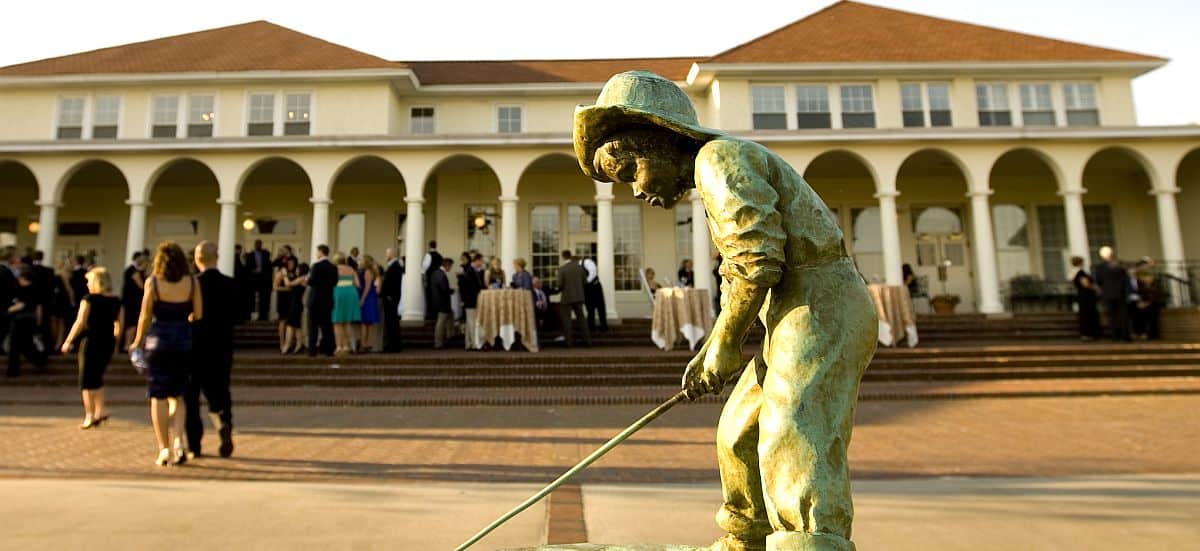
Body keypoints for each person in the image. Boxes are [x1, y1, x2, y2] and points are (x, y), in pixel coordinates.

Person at [575, 71, 877, 550]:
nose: (634, 189)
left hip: (823, 305)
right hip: (790, 310)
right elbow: (741, 268)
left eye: (630, 170)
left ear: (657, 141)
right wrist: (719, 340)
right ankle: (746, 539)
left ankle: (811, 541)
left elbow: (756, 260)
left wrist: (725, 341)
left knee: (793, 428)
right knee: (739, 430)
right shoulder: (714, 169)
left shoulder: (719, 159)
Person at [131, 241, 203, 466]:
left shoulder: (153, 282)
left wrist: (136, 342)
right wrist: (184, 320)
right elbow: (198, 314)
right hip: (182, 341)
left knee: (158, 396)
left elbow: (144, 315)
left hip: (158, 341)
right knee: (179, 396)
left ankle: (163, 448)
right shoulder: (191, 282)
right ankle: (179, 442)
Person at [187, 241, 237, 458]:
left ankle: (194, 445)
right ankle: (223, 422)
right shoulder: (231, 284)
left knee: (191, 396)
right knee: (220, 391)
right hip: (222, 346)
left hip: (194, 346)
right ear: (217, 258)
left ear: (197, 260)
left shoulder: (192, 285)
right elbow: (240, 315)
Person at [61, 267, 121, 430]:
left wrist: (68, 340)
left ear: (96, 282)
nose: (87, 284)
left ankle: (89, 414)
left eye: (89, 281)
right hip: (107, 341)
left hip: (91, 341)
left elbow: (80, 322)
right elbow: (118, 325)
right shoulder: (116, 301)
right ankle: (100, 411)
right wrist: (115, 342)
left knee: (86, 380)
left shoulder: (89, 299)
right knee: (98, 376)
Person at [7, 267, 47, 377]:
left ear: (23, 278)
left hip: (20, 320)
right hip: (31, 319)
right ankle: (39, 360)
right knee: (26, 343)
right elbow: (39, 307)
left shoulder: (22, 290)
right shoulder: (36, 289)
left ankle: (13, 370)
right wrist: (38, 320)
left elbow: (21, 304)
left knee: (15, 345)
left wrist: (8, 310)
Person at [1093, 245, 1130, 341]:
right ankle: (1124, 335)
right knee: (1122, 315)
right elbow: (1126, 279)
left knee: (1113, 316)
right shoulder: (1119, 265)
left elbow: (1098, 281)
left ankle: (1116, 335)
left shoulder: (1100, 267)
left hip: (1109, 294)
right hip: (1119, 293)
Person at [306, 245, 337, 357]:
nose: (316, 254)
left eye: (317, 251)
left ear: (321, 252)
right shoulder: (333, 267)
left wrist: (307, 279)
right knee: (327, 327)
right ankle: (329, 349)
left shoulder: (316, 266)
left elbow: (311, 281)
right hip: (328, 300)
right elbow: (335, 282)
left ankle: (312, 350)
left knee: (313, 326)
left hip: (315, 299)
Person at [557, 250, 590, 348]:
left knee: (567, 320)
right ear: (570, 256)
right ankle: (588, 341)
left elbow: (560, 284)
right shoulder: (580, 269)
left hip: (567, 298)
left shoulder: (562, 269)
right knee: (582, 320)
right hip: (579, 296)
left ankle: (569, 342)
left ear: (563, 257)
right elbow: (585, 282)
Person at [331, 253, 361, 356]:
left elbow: (330, 282)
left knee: (337, 322)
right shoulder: (351, 269)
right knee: (347, 322)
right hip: (351, 293)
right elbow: (357, 284)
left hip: (338, 292)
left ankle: (339, 346)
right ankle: (347, 346)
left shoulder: (334, 269)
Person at [274, 256, 303, 354]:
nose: (291, 265)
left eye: (293, 263)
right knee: (283, 320)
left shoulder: (296, 273)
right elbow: (275, 287)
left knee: (293, 322)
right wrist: (288, 289)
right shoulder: (281, 273)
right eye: (289, 263)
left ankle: (292, 343)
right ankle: (282, 343)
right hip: (283, 299)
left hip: (293, 299)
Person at [1070, 256, 1101, 341]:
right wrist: (1096, 288)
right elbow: (1086, 284)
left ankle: (1087, 333)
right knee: (1087, 315)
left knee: (1085, 315)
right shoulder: (1081, 272)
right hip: (1086, 297)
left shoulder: (1074, 272)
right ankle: (1088, 333)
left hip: (1082, 296)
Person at [380, 248, 405, 352]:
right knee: (391, 322)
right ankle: (393, 344)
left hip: (391, 298)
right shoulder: (393, 266)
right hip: (390, 297)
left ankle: (393, 345)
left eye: (386, 253)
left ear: (391, 254)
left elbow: (393, 283)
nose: (385, 255)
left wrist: (388, 295)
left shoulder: (395, 267)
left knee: (392, 322)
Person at [120, 252, 146, 351]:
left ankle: (130, 344)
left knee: (134, 323)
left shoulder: (137, 271)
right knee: (131, 323)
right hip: (131, 303)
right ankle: (127, 344)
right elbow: (141, 285)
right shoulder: (132, 270)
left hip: (135, 302)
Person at [1132, 263, 1164, 340]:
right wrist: (1141, 302)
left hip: (1153, 304)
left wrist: (1147, 303)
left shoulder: (1156, 284)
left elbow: (1157, 295)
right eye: (1143, 277)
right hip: (1143, 304)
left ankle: (1152, 334)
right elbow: (1140, 294)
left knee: (1152, 316)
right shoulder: (1141, 285)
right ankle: (1140, 332)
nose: (1146, 279)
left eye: (1147, 277)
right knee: (1138, 313)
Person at [459, 253, 484, 350]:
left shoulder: (472, 271)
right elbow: (468, 288)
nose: (482, 263)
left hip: (470, 300)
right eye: (481, 261)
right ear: (477, 261)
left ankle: (468, 344)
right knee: (472, 323)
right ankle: (474, 344)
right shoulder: (470, 271)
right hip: (471, 301)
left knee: (470, 323)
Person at [430, 258, 455, 349]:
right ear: (447, 265)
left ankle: (450, 335)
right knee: (440, 323)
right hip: (442, 302)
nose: (451, 268)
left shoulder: (435, 273)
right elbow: (444, 289)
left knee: (450, 316)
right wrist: (451, 290)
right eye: (451, 266)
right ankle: (438, 343)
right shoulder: (441, 275)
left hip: (438, 301)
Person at [358, 255, 381, 353]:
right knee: (369, 323)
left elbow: (367, 287)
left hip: (367, 297)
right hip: (371, 296)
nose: (359, 261)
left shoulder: (367, 271)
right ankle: (368, 343)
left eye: (361, 259)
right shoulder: (372, 271)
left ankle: (364, 344)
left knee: (365, 322)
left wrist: (362, 299)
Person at [246, 239, 272, 321]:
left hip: (263, 280)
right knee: (251, 298)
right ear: (254, 245)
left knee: (263, 298)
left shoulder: (266, 254)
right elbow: (247, 267)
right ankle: (250, 315)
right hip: (253, 279)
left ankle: (263, 316)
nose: (258, 245)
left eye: (259, 243)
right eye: (256, 243)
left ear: (261, 244)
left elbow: (269, 266)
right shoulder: (250, 255)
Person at [582, 256, 608, 332]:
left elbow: (591, 274)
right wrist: (586, 282)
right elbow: (593, 273)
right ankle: (602, 326)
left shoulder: (582, 263)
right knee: (599, 307)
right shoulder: (588, 263)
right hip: (593, 287)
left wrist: (584, 283)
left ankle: (592, 327)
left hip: (588, 288)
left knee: (591, 308)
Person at [422, 241, 442, 321]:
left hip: (430, 278)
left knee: (429, 296)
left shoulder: (428, 255)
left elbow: (425, 266)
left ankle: (430, 315)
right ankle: (436, 314)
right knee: (436, 296)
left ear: (429, 246)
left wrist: (423, 274)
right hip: (438, 278)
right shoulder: (440, 256)